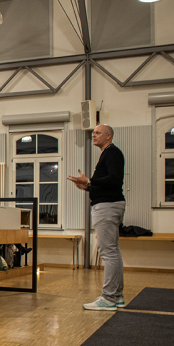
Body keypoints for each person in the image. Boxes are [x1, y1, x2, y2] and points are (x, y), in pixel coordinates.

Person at [67, 124, 126, 311]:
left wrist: (90, 181)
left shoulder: (112, 153)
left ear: (108, 136)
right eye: (93, 133)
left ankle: (108, 298)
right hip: (109, 204)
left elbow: (115, 180)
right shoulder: (107, 153)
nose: (93, 135)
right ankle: (117, 297)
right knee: (113, 252)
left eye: (98, 133)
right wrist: (87, 187)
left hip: (107, 207)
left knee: (108, 253)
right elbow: (107, 183)